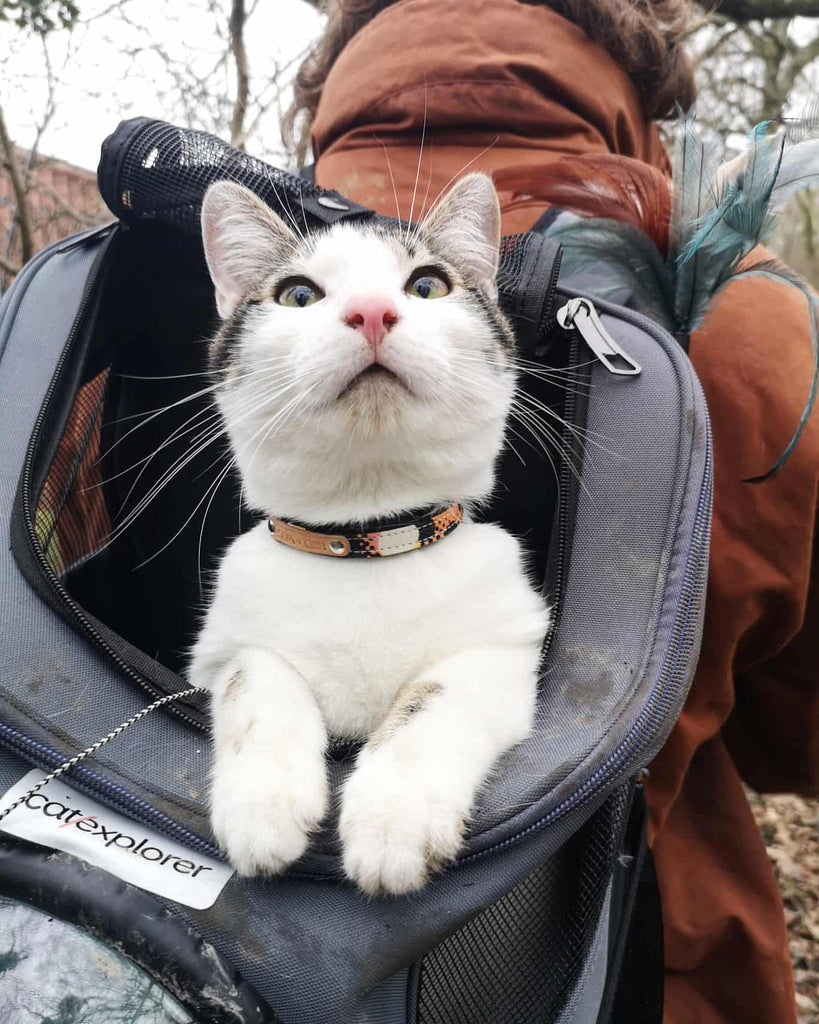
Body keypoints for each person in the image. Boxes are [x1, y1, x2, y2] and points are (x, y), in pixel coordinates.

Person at [284, 2, 819, 1022]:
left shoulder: (179, 271)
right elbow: (798, 736)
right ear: (642, 67)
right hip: (629, 960)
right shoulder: (744, 315)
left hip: (205, 927)